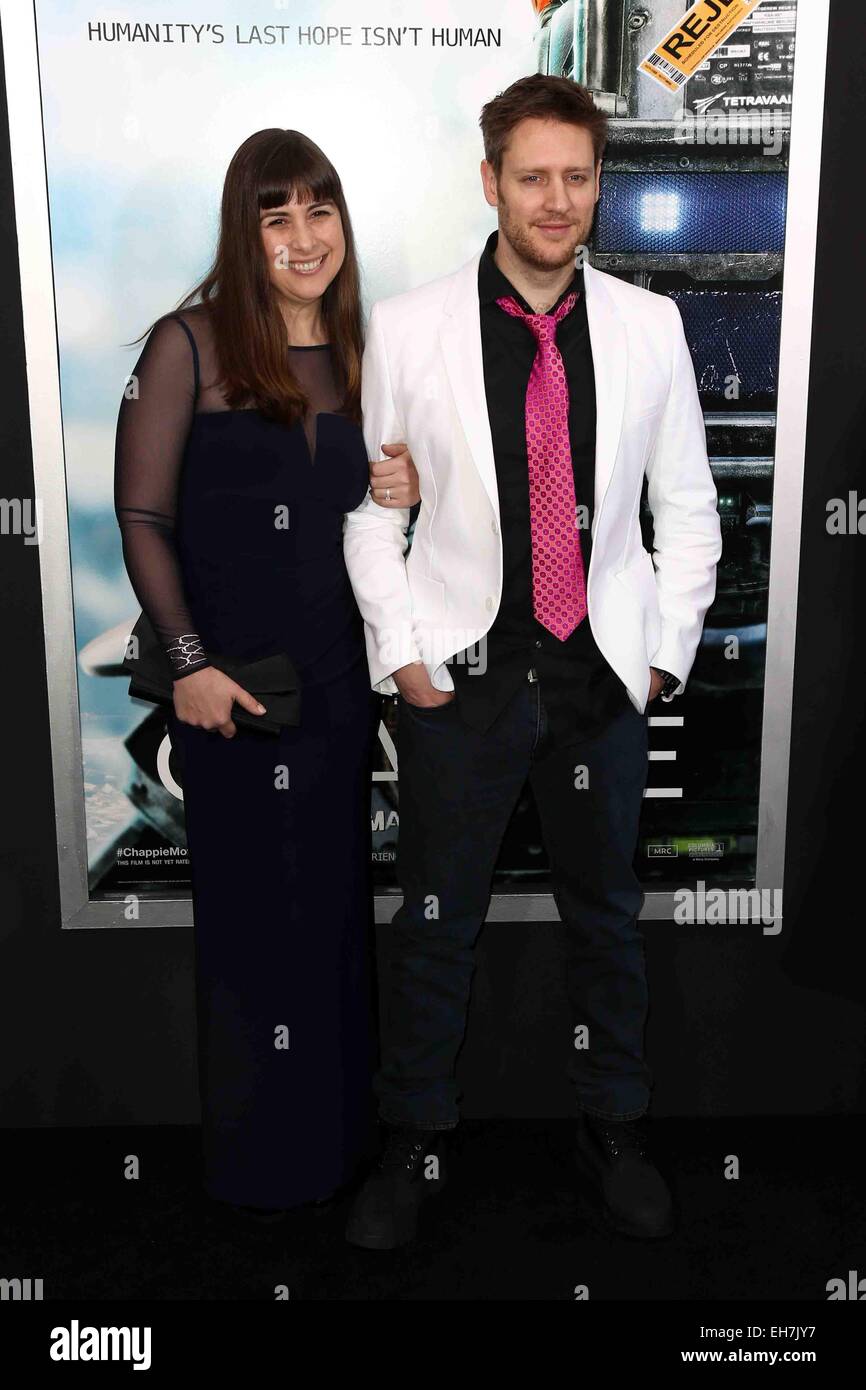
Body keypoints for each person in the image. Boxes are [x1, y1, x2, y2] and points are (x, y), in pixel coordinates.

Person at [343, 75, 722, 1248]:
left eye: (576, 177)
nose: (555, 201)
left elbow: (689, 510)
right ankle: (415, 1138)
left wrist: (656, 660)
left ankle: (612, 1124)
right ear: (489, 181)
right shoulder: (407, 329)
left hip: (599, 677)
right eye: (531, 176)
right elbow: (373, 515)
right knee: (433, 926)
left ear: (597, 184)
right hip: (462, 679)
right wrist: (403, 660)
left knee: (606, 924)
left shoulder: (648, 327)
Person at [114, 129, 419, 1218]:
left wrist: (401, 488)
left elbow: (370, 526)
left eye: (319, 210)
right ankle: (258, 1170)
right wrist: (189, 666)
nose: (303, 236)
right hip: (227, 698)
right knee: (250, 935)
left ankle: (336, 1153)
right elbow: (142, 516)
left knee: (333, 922)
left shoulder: (360, 356)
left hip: (335, 694)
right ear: (244, 234)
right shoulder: (186, 344)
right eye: (274, 215)